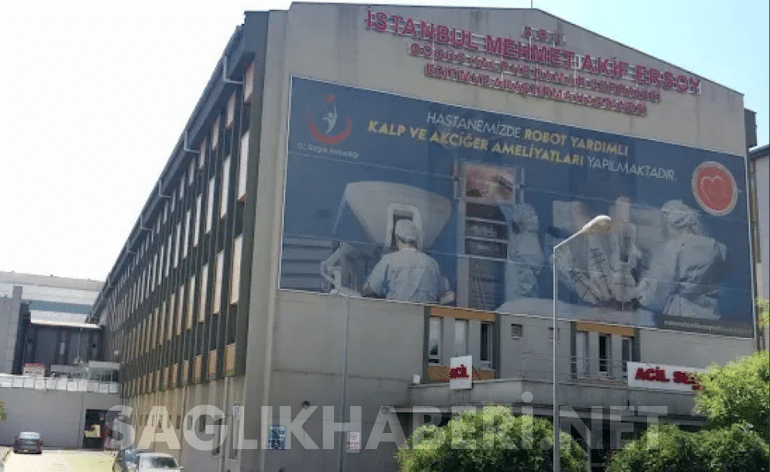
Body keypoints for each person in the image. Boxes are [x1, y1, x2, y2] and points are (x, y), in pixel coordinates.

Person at [634, 200, 727, 319]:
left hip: (681, 319)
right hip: (711, 319)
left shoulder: (673, 250)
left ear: (669, 224)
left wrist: (639, 294)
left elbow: (656, 295)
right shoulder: (718, 248)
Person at [362, 219, 444, 303]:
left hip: (397, 310)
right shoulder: (432, 263)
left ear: (397, 239)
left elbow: (369, 290)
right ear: (416, 240)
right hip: (425, 311)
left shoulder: (388, 260)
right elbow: (444, 294)